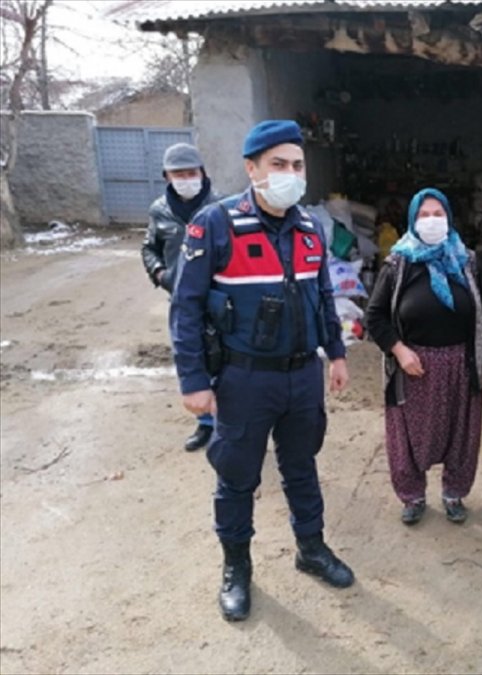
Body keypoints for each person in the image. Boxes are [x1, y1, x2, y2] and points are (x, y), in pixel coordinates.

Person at [169, 120, 353, 622]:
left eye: (297, 165)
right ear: (252, 169)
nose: (290, 174)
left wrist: (335, 353)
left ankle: (311, 549)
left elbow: (323, 297)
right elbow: (185, 308)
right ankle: (236, 568)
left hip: (301, 376)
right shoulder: (215, 224)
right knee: (237, 476)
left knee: (302, 467)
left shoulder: (311, 227)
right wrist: (194, 381)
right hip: (243, 379)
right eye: (278, 165)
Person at [365, 188, 482, 525]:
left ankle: (454, 494)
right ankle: (413, 497)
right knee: (409, 438)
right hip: (414, 368)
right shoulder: (398, 264)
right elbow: (374, 318)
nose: (432, 221)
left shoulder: (466, 261)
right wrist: (400, 351)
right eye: (424, 215)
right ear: (413, 221)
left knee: (461, 434)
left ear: (449, 218)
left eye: (438, 214)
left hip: (463, 364)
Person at [141, 143, 219, 451]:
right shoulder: (160, 210)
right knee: (191, 357)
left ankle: (231, 422)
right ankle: (206, 424)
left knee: (223, 361)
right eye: (179, 174)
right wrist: (160, 273)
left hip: (218, 299)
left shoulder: (220, 207)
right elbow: (149, 247)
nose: (186, 178)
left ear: (202, 172)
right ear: (167, 176)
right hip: (182, 302)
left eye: (191, 172)